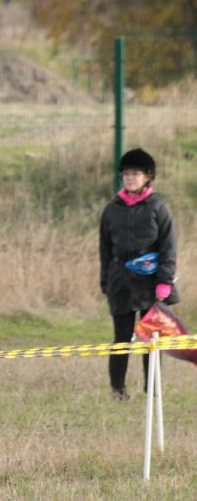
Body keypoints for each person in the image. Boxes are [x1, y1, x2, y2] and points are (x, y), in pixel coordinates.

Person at [99, 148, 178, 400]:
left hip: (151, 281)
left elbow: (168, 247)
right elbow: (104, 248)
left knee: (151, 338)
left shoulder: (158, 208)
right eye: (126, 174)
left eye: (136, 173)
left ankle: (151, 388)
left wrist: (164, 282)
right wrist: (105, 280)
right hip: (120, 281)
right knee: (121, 336)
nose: (130, 178)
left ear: (148, 177)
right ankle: (118, 389)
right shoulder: (111, 209)